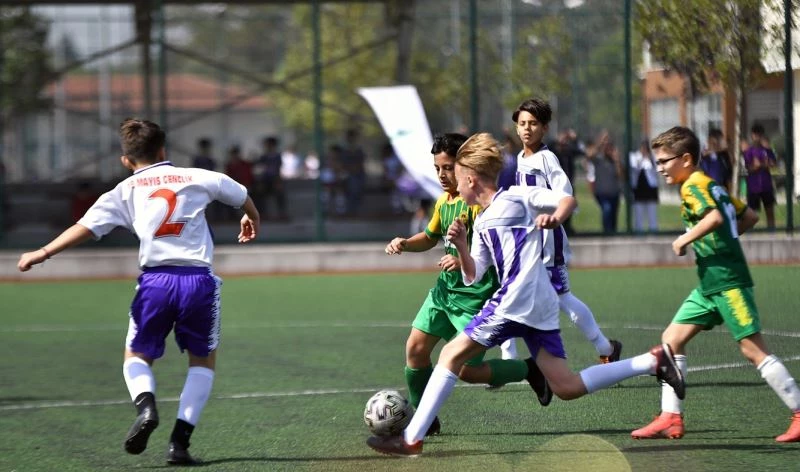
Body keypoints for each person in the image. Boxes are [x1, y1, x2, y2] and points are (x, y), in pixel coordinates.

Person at [366, 132, 685, 457]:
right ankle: (652, 361)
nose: (454, 187)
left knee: (450, 356)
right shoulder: (483, 219)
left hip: (515, 301)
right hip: (538, 307)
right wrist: (461, 246)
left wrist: (555, 218)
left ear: (471, 179)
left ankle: (412, 439)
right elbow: (472, 275)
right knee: (566, 387)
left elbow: (567, 200)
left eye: (458, 179)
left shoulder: (518, 196)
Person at [17, 118, 261, 464]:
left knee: (136, 357)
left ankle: (146, 408)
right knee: (202, 361)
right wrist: (250, 216)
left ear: (126, 160)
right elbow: (239, 193)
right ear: (163, 150)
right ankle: (179, 444)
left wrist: (42, 253)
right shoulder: (199, 177)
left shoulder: (123, 191)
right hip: (198, 282)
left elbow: (84, 228)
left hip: (155, 283)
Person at [630, 126, 800, 442]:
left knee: (753, 349)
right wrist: (725, 244)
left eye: (665, 161)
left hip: (728, 282)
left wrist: (685, 239)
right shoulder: (711, 184)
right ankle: (671, 417)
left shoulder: (693, 186)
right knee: (672, 339)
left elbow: (715, 219)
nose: (661, 167)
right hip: (710, 283)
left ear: (686, 159)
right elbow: (749, 216)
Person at [384, 132, 551, 436]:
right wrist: (406, 243)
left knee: (468, 372)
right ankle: (425, 419)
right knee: (415, 349)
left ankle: (530, 369)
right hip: (444, 293)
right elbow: (431, 237)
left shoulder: (477, 204)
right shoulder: (443, 201)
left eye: (448, 168)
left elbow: (491, 250)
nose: (442, 175)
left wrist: (461, 260)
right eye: (437, 168)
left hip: (475, 298)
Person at [502, 98, 621, 366]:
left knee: (562, 299)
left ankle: (606, 347)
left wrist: (555, 219)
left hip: (547, 244)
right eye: (522, 124)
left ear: (544, 128)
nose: (526, 129)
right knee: (506, 292)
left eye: (533, 123)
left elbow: (566, 196)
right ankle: (508, 359)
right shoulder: (519, 159)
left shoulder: (547, 159)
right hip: (524, 243)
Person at [586, 131, 622, 234]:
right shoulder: (598, 159)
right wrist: (600, 142)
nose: (607, 149)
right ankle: (606, 232)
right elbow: (589, 155)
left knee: (613, 217)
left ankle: (612, 234)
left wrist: (617, 161)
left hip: (614, 194)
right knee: (607, 210)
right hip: (602, 194)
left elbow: (621, 176)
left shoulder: (615, 161)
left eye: (609, 147)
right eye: (605, 147)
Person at [743, 123, 777, 230]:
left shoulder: (767, 150)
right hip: (753, 187)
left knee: (769, 210)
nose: (757, 137)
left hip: (766, 185)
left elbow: (773, 163)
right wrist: (758, 166)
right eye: (755, 135)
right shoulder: (749, 152)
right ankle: (751, 233)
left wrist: (762, 164)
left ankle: (772, 232)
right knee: (752, 213)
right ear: (752, 136)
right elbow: (749, 168)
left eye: (759, 135)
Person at [630, 139, 659, 233]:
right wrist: (642, 157)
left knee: (652, 214)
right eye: (643, 147)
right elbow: (634, 168)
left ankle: (653, 231)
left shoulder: (653, 157)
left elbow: (656, 169)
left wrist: (649, 157)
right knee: (639, 214)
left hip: (651, 189)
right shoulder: (634, 156)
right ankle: (639, 232)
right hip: (638, 189)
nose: (645, 149)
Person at [256, 136, 288, 221]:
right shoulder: (263, 157)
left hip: (275, 180)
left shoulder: (277, 156)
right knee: (258, 193)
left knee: (280, 194)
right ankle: (262, 214)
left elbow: (278, 170)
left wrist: (278, 182)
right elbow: (260, 170)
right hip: (265, 180)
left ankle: (282, 213)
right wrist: (260, 182)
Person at [700, 128, 733, 192]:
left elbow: (729, 171)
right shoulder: (704, 156)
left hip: (723, 188)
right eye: (718, 139)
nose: (720, 142)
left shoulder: (724, 155)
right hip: (708, 189)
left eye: (720, 140)